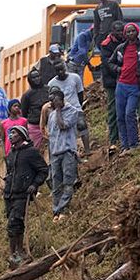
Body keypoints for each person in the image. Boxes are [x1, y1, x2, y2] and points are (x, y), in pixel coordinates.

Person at [3, 126, 49, 266]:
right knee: (15, 223)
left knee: (13, 223)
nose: (11, 135)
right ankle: (18, 252)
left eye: (14, 133)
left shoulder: (31, 152)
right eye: (10, 133)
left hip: (23, 194)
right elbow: (10, 172)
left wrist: (34, 185)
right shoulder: (10, 154)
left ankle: (15, 253)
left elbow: (43, 170)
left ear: (22, 136)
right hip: (9, 194)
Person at [111, 23, 140, 152]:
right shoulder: (120, 48)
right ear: (125, 34)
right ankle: (124, 146)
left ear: (137, 32)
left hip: (135, 86)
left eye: (133, 31)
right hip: (121, 86)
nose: (130, 33)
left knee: (129, 114)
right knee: (120, 116)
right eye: (128, 32)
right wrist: (118, 69)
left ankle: (134, 144)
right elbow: (110, 63)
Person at [42, 87, 82, 219]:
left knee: (68, 182)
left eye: (54, 100)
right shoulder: (51, 114)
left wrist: (59, 110)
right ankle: (56, 211)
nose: (51, 103)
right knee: (56, 184)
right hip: (55, 152)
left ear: (61, 99)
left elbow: (63, 126)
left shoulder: (72, 111)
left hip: (68, 151)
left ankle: (63, 209)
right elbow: (51, 135)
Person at [93, 21, 127, 148]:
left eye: (122, 30)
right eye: (118, 31)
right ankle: (113, 140)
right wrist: (120, 73)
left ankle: (125, 137)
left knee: (127, 109)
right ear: (112, 31)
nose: (120, 33)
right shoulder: (106, 45)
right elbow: (107, 64)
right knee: (113, 110)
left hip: (125, 79)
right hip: (112, 81)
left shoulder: (127, 41)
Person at [20, 69, 51, 149]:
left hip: (49, 125)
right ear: (30, 80)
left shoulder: (48, 90)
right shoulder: (27, 95)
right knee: (35, 149)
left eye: (38, 76)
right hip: (35, 127)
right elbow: (24, 113)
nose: (36, 79)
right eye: (33, 78)